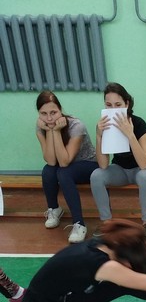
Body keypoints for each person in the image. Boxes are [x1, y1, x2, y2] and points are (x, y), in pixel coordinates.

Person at [90, 82, 146, 244]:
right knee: (96, 175)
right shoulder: (105, 125)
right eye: (108, 105)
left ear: (126, 104)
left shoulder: (139, 123)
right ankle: (106, 222)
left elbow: (144, 164)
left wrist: (130, 134)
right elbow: (103, 165)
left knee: (144, 176)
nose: (113, 109)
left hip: (141, 170)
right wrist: (99, 135)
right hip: (120, 170)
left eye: (118, 104)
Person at [35, 90, 98, 243]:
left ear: (60, 110)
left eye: (53, 112)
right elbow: (51, 161)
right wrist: (49, 131)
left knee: (63, 172)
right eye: (44, 113)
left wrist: (56, 131)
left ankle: (79, 224)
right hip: (64, 167)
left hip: (88, 165)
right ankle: (54, 209)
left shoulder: (76, 126)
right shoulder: (41, 127)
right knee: (48, 171)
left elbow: (64, 161)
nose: (49, 118)